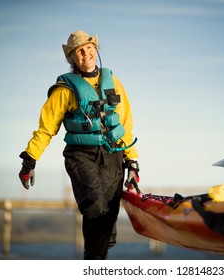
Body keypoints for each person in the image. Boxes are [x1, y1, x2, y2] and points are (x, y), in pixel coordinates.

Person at [18, 30, 140, 260]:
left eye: (89, 48)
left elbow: (125, 124)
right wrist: (29, 161)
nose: (86, 54)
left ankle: (95, 262)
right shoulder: (65, 90)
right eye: (79, 51)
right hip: (81, 156)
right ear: (72, 59)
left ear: (96, 49)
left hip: (113, 156)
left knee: (108, 217)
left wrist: (132, 162)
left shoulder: (114, 83)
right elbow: (46, 128)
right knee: (95, 204)